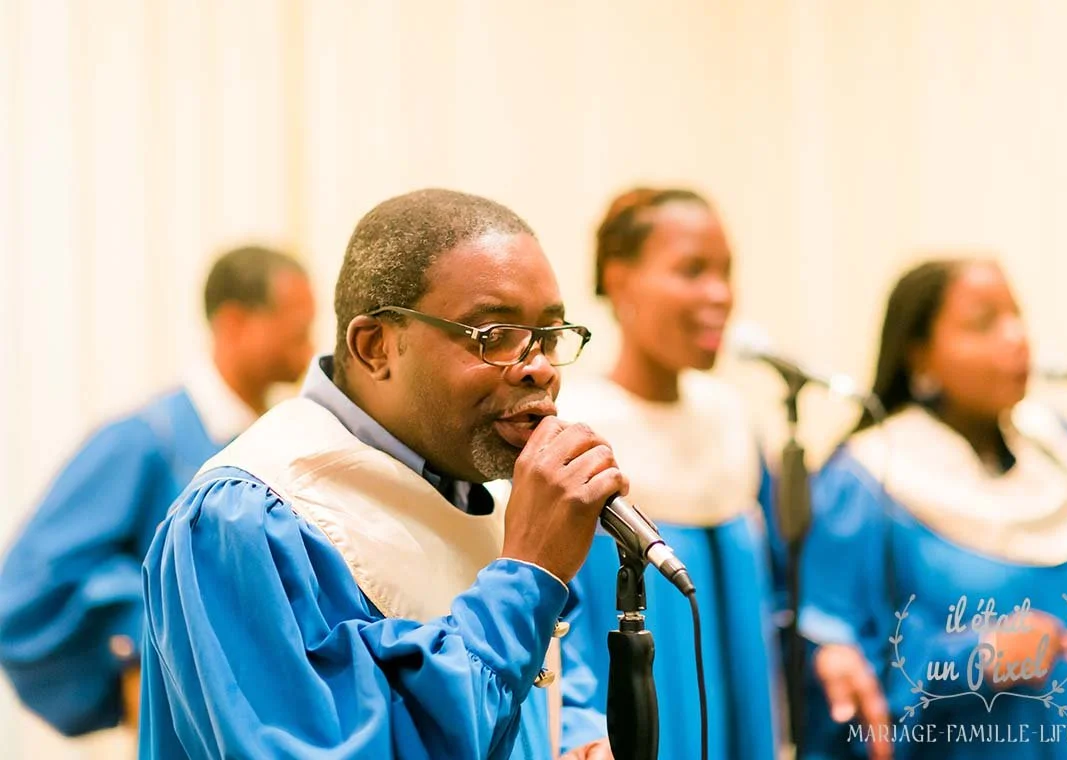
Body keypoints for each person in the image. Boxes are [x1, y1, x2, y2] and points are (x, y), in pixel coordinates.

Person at [139, 189, 618, 759]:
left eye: (548, 336)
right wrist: (527, 578)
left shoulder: (488, 489)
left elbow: (558, 693)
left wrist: (576, 736)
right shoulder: (248, 518)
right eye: (494, 336)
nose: (538, 367)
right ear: (375, 348)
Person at [799, 258, 1067, 759]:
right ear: (919, 356)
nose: (1016, 337)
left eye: (1016, 317)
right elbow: (839, 664)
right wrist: (976, 658)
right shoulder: (868, 481)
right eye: (983, 324)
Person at [0, 245, 315, 736]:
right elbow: (25, 592)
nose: (308, 345)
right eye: (296, 330)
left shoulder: (272, 445)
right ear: (234, 323)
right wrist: (142, 625)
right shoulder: (147, 440)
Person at [556, 188, 782, 760]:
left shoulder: (731, 417)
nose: (720, 294)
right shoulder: (576, 433)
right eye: (692, 270)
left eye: (725, 272)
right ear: (620, 278)